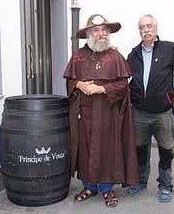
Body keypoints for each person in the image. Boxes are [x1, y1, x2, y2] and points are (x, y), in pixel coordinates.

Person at [63, 14, 139, 208]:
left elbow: (123, 85)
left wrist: (101, 88)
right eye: (96, 30)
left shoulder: (115, 56)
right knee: (86, 149)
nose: (101, 33)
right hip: (85, 115)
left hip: (108, 115)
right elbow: (70, 80)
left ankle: (106, 188)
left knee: (108, 150)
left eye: (105, 30)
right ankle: (89, 186)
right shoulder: (78, 56)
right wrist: (79, 83)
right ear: (89, 33)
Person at [126, 14, 174, 203]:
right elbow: (126, 79)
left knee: (166, 150)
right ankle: (140, 181)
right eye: (141, 27)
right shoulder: (133, 54)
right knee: (140, 149)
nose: (145, 30)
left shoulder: (169, 49)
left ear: (156, 28)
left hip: (162, 112)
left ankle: (165, 185)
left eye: (149, 26)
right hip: (138, 111)